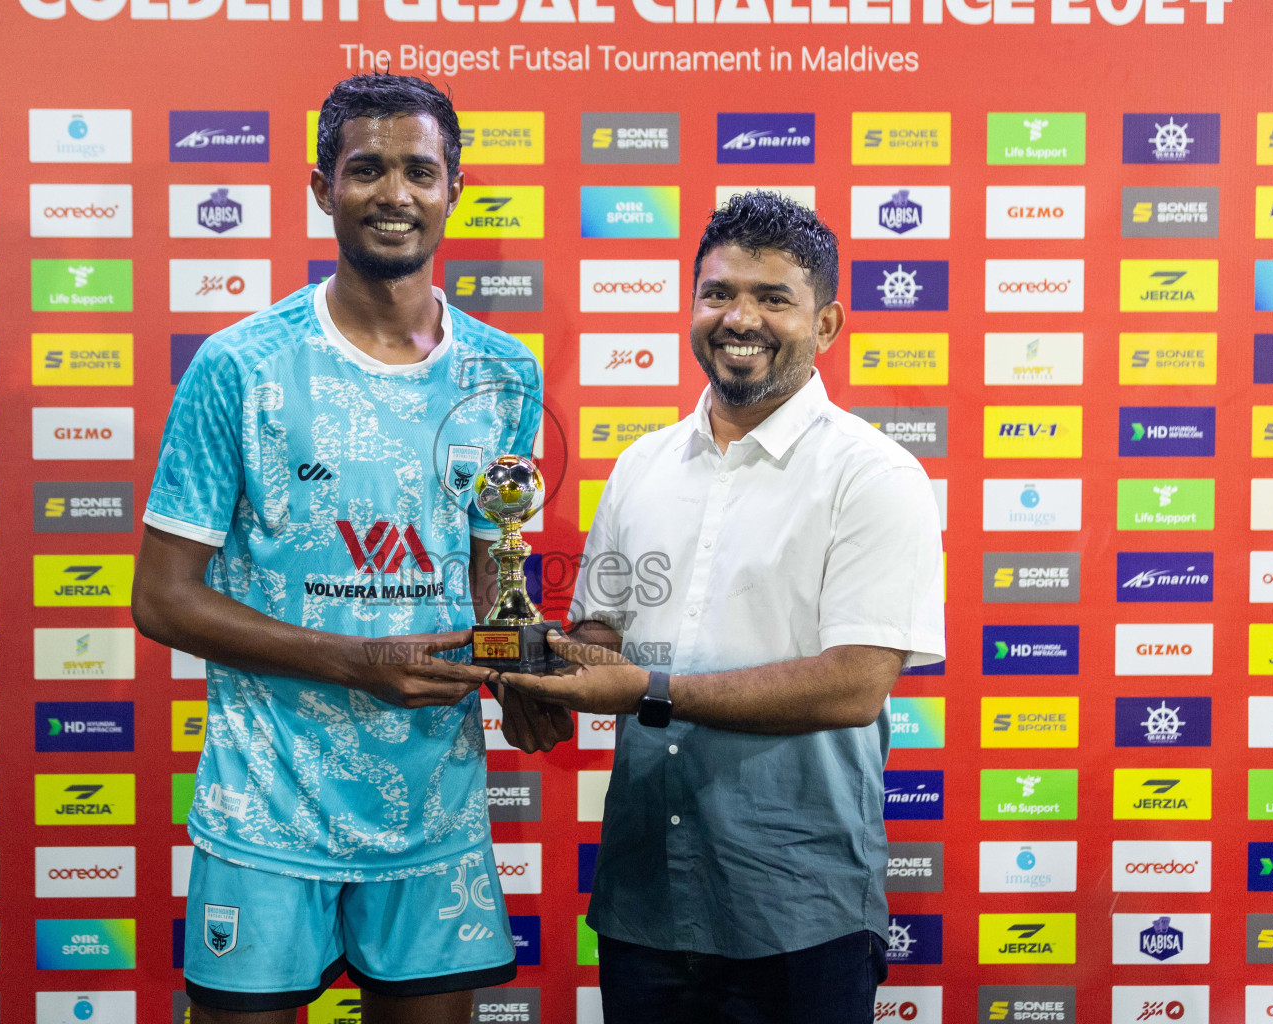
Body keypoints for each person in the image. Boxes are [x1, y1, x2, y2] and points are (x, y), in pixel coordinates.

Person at [131, 73, 570, 1024]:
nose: (395, 194)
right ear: (322, 187)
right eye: (366, 169)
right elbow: (162, 599)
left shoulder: (506, 371)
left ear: (455, 186)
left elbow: (493, 561)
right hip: (265, 810)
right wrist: (353, 662)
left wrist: (520, 669)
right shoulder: (241, 365)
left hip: (435, 811)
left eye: (421, 170)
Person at [501, 190, 945, 1023]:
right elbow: (603, 635)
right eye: (720, 293)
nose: (741, 317)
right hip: (644, 896)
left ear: (827, 325)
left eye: (773, 297)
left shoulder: (874, 477)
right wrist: (531, 662)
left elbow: (852, 685)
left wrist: (648, 692)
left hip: (797, 907)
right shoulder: (642, 466)